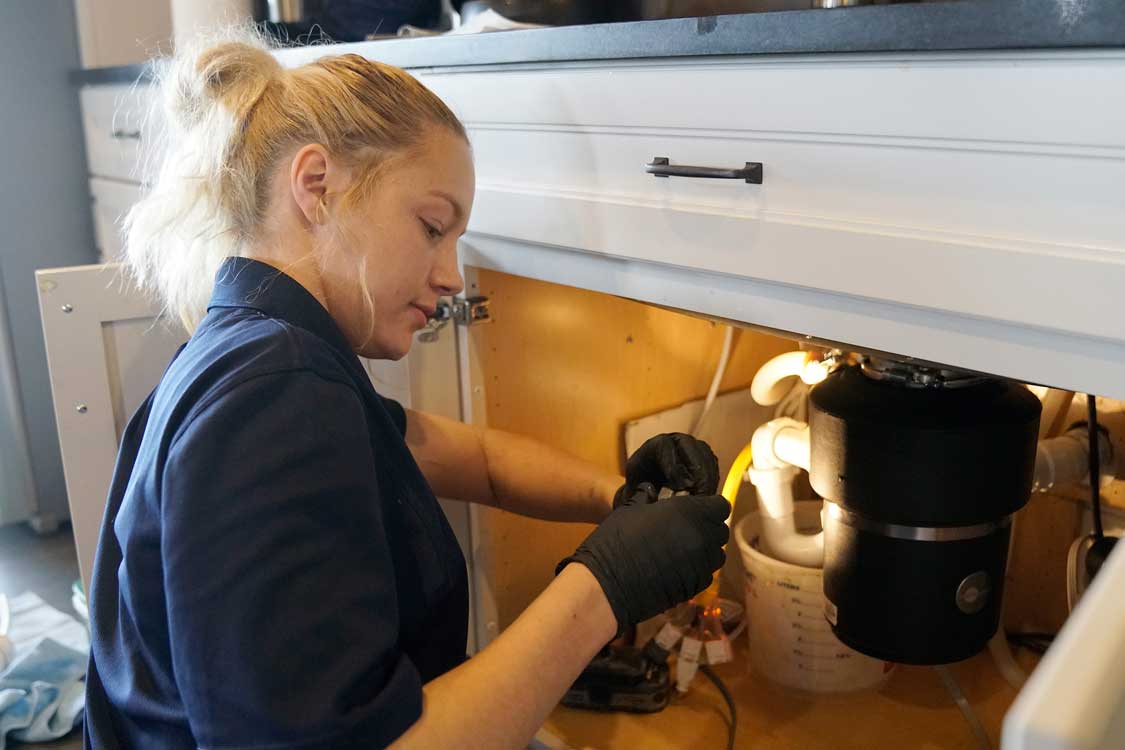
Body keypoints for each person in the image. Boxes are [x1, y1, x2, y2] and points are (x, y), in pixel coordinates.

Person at [83, 31, 730, 750]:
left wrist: (618, 501)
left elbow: (476, 459)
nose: (452, 274)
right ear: (316, 186)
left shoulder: (261, 353)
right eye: (432, 227)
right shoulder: (276, 394)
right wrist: (607, 586)